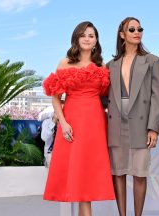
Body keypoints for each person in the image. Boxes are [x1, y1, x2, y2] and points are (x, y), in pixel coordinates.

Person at [42, 21, 115, 216]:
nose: (87, 39)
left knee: (89, 170)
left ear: (96, 40)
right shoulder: (65, 62)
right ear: (76, 38)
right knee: (76, 168)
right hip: (73, 119)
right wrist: (63, 122)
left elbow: (107, 95)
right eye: (83, 35)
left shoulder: (100, 64)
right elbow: (55, 97)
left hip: (96, 121)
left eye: (91, 35)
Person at [106, 17, 159, 216]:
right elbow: (104, 98)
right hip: (116, 123)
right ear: (122, 34)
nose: (137, 32)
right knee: (118, 173)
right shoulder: (110, 64)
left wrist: (154, 127)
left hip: (141, 122)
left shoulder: (152, 60)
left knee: (140, 174)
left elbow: (158, 95)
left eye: (140, 28)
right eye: (132, 29)